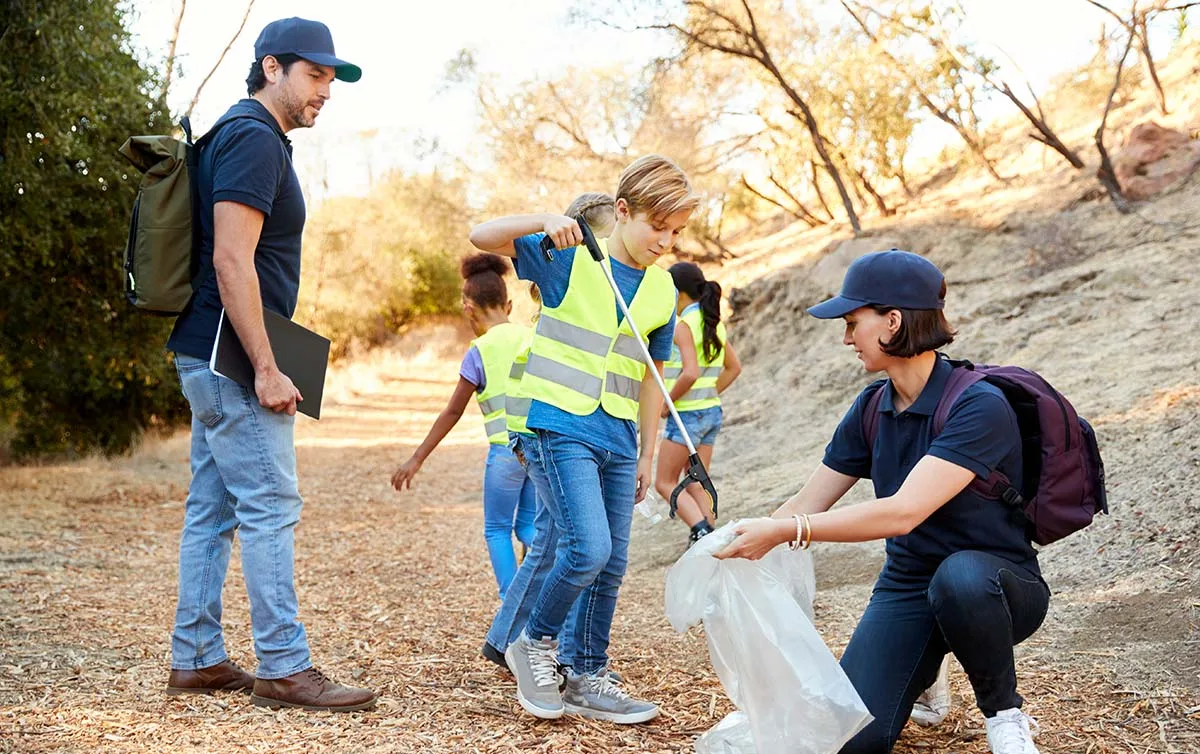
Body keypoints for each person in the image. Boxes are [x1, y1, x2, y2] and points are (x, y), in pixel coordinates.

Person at [715, 250, 1049, 754]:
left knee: (958, 581)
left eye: (853, 323)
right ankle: (925, 660)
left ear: (893, 321)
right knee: (850, 741)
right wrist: (745, 536)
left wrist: (788, 533)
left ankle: (1004, 715)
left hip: (996, 587)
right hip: (909, 587)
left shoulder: (979, 405)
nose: (846, 338)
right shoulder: (872, 407)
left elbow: (902, 512)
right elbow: (811, 499)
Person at [162, 18, 376, 712]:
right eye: (315, 76)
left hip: (206, 346)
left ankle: (195, 657)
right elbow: (231, 257)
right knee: (270, 506)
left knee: (213, 508)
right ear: (271, 67)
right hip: (232, 354)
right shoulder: (254, 137)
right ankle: (284, 665)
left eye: (331, 80)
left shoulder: (244, 134)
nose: (326, 92)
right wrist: (265, 365)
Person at [469, 156, 697, 724]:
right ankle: (533, 644)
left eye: (677, 232)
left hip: (619, 435)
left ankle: (586, 671)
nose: (666, 242)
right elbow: (481, 236)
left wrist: (648, 450)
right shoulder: (568, 258)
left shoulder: (663, 289)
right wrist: (545, 218)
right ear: (622, 212)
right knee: (586, 547)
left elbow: (651, 373)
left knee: (613, 561)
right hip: (558, 422)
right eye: (657, 227)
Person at [480, 193, 616, 669]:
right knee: (565, 542)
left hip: (559, 430)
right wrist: (544, 219)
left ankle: (505, 639)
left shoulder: (592, 294)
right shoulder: (568, 280)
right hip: (539, 431)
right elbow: (485, 236)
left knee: (555, 539)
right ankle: (522, 641)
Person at [390, 255, 536, 599]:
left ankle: (512, 607)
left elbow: (453, 411)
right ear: (510, 304)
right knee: (530, 527)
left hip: (505, 453)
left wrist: (417, 458)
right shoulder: (532, 338)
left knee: (497, 529)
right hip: (539, 450)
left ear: (468, 308)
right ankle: (543, 602)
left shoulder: (479, 351)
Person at [655, 262, 741, 544]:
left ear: (678, 294)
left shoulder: (682, 326)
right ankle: (711, 537)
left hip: (686, 416)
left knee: (664, 482)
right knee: (696, 480)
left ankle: (700, 529)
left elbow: (689, 373)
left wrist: (668, 404)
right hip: (710, 411)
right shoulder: (712, 322)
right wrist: (708, 394)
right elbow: (734, 367)